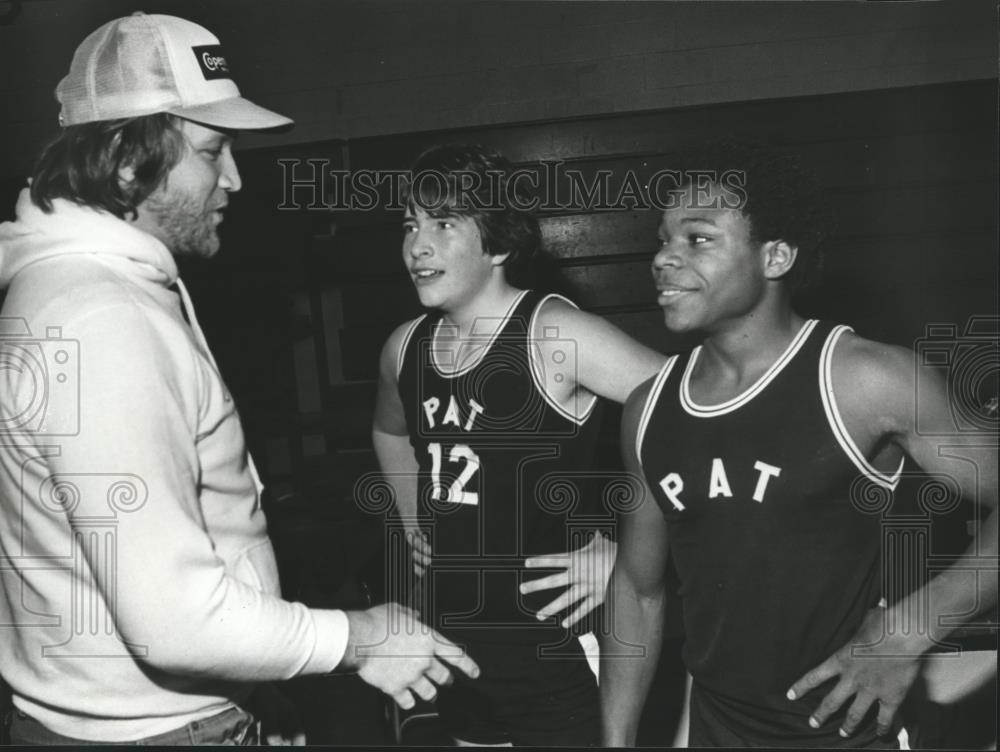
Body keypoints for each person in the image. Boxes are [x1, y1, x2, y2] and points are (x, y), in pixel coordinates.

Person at [0, 13, 477, 746]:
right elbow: (172, 619)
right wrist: (359, 638)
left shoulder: (94, 287)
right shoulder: (100, 320)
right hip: (156, 730)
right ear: (129, 161)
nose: (236, 178)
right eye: (212, 150)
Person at [600, 141, 997, 747]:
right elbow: (637, 589)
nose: (663, 259)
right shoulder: (648, 410)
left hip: (847, 729)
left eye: (697, 238)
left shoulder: (862, 379)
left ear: (776, 257)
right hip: (718, 731)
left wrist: (909, 630)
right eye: (662, 239)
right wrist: (615, 742)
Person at [372, 144, 666, 745]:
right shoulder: (404, 347)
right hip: (459, 646)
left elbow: (707, 415)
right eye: (410, 225)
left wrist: (627, 557)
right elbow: (388, 430)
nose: (417, 245)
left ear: (499, 245)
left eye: (444, 223)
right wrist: (411, 519)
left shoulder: (555, 334)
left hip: (558, 647)